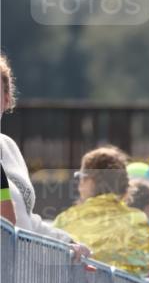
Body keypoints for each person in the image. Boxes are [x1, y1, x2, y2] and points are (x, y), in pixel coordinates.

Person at [0, 52, 88, 258]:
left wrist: (67, 243)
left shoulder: (9, 147)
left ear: (6, 99)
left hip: (17, 275)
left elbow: (26, 221)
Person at [54, 146, 149, 277]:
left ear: (90, 180)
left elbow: (50, 256)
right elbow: (144, 268)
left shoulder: (65, 219)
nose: (79, 184)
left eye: (81, 177)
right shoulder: (138, 220)